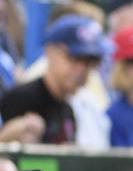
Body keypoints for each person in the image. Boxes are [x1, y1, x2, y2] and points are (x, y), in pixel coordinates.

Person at [0, 14, 108, 144]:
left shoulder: (69, 107)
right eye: (74, 57)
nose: (81, 69)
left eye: (90, 61)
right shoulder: (20, 99)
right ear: (50, 51)